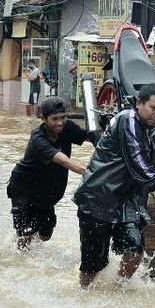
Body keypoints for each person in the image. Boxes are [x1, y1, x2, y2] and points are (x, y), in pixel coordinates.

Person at [73, 83, 155, 289]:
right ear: (139, 104)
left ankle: (118, 289)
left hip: (128, 200)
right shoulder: (127, 119)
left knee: (135, 250)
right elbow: (137, 162)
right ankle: (84, 296)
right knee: (93, 265)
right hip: (98, 198)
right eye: (153, 108)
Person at [7, 97, 98, 250]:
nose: (60, 123)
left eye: (63, 117)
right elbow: (64, 161)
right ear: (43, 118)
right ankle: (21, 258)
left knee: (46, 234)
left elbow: (88, 136)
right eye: (54, 119)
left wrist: (103, 136)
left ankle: (32, 243)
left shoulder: (67, 128)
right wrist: (91, 173)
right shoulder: (38, 138)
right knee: (25, 233)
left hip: (46, 193)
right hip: (24, 189)